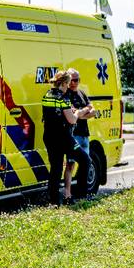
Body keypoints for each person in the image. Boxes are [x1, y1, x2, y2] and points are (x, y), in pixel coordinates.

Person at [42, 70, 89, 205]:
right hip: (64, 137)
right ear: (63, 83)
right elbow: (72, 120)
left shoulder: (47, 95)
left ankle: (54, 202)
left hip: (49, 137)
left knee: (56, 169)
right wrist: (79, 112)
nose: (69, 86)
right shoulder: (64, 98)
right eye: (68, 83)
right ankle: (81, 194)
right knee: (85, 160)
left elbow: (53, 114)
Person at [63, 68, 96, 201]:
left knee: (85, 164)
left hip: (84, 135)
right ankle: (68, 194)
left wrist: (81, 113)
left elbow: (93, 111)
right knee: (70, 165)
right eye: (71, 80)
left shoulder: (81, 93)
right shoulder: (66, 95)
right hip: (73, 135)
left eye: (76, 80)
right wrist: (85, 111)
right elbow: (72, 115)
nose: (74, 83)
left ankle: (82, 194)